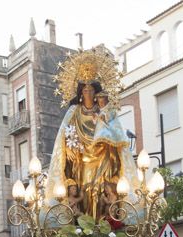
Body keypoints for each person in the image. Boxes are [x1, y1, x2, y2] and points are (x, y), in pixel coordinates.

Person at [45, 80, 136, 221]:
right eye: (85, 90)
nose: (88, 93)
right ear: (81, 92)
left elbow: (117, 135)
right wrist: (68, 149)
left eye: (91, 90)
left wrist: (105, 116)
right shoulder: (73, 112)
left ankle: (104, 223)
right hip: (82, 159)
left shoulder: (105, 110)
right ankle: (84, 224)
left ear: (96, 92)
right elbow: (64, 135)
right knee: (85, 190)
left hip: (103, 156)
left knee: (102, 190)